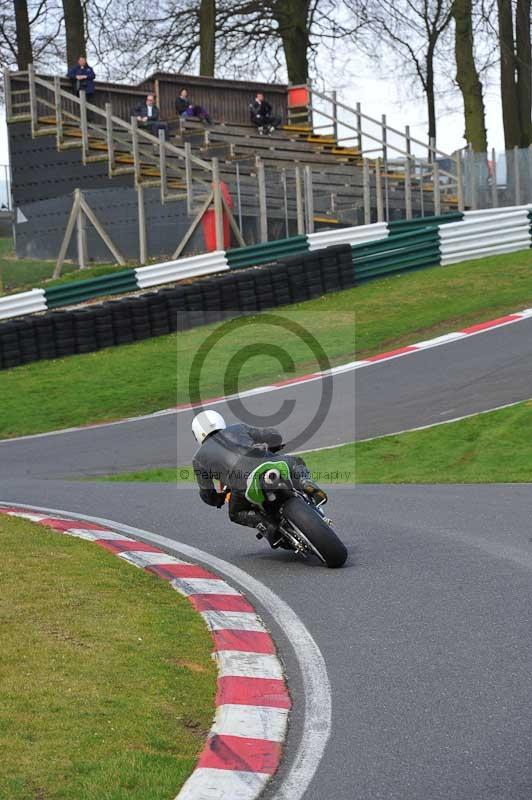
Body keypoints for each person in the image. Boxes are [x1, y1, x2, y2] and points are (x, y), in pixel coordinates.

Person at [192, 410, 327, 548]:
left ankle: (268, 528)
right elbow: (274, 436)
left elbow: (207, 494)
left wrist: (218, 499)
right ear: (220, 421)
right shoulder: (238, 428)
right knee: (295, 462)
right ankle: (307, 484)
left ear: (197, 434)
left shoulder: (198, 458)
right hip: (267, 461)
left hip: (242, 485)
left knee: (236, 513)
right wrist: (273, 444)